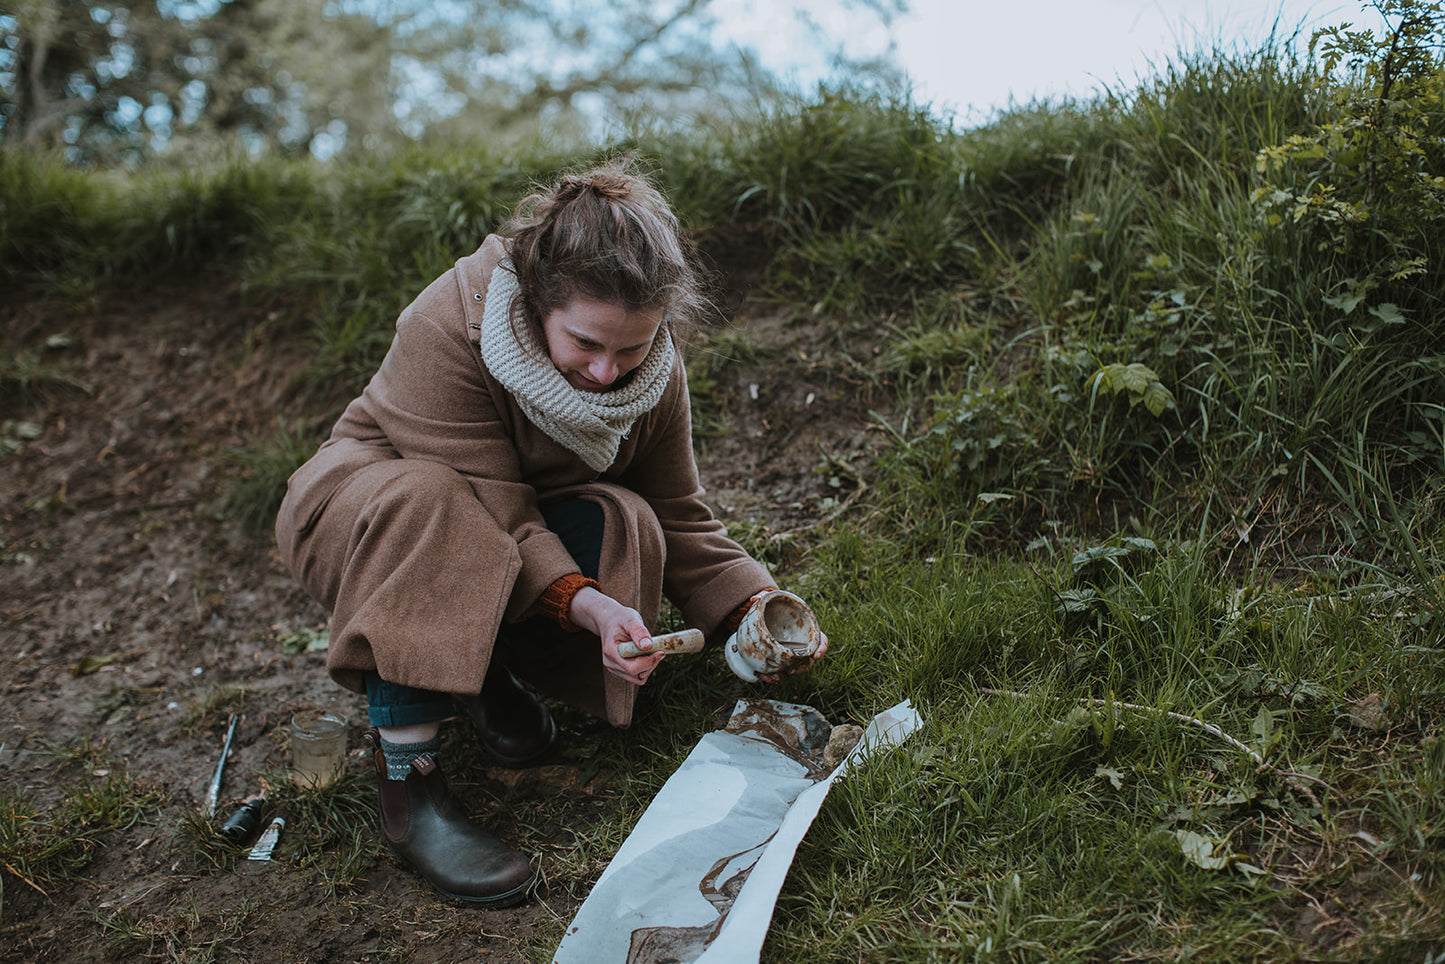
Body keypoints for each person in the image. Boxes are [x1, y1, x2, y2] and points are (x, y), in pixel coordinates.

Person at [273, 158, 828, 908]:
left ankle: (478, 674)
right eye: (586, 344)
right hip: (368, 514)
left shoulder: (651, 372)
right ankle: (411, 787)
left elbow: (675, 508)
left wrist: (753, 608)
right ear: (538, 301)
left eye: (630, 348)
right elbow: (494, 511)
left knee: (622, 517)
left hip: (488, 531)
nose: (607, 372)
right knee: (431, 497)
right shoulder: (445, 325)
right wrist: (592, 607)